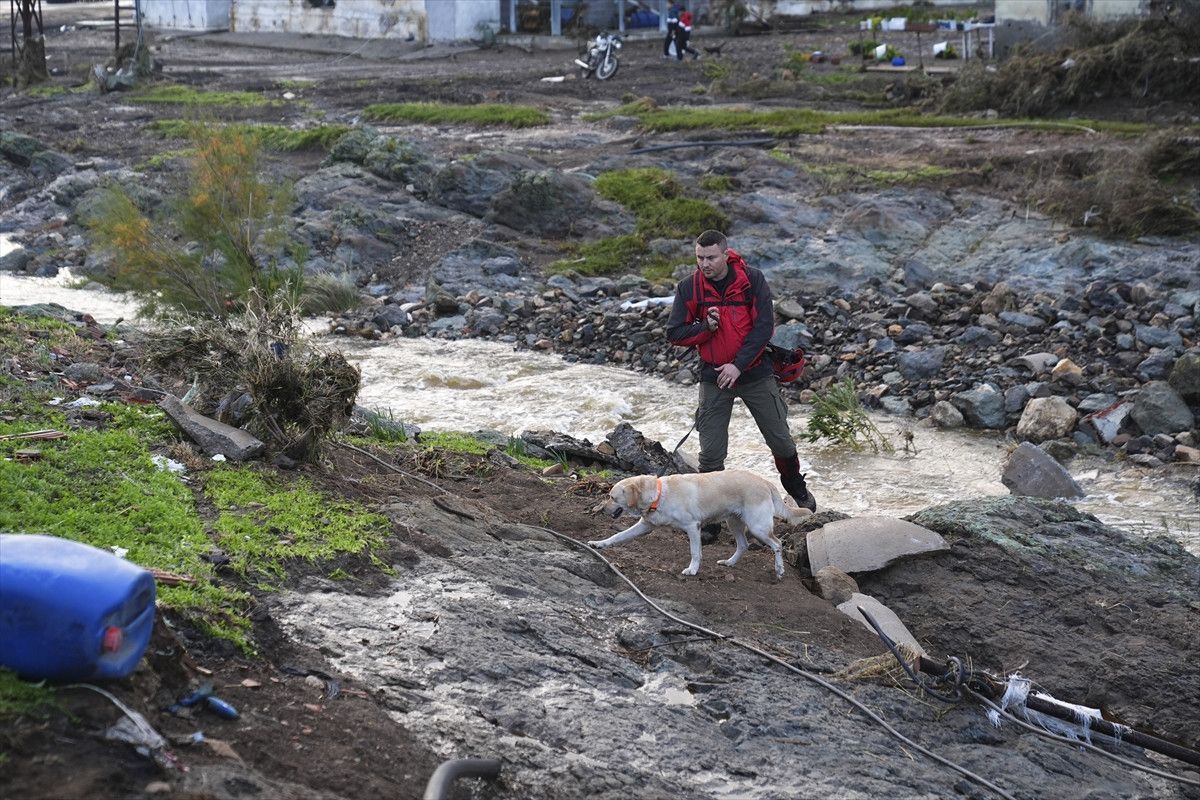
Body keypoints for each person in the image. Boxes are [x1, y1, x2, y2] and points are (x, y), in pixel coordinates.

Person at [666, 230, 816, 541]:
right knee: (711, 454)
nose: (704, 264)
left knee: (781, 441)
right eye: (699, 258)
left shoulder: (752, 279)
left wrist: (738, 365)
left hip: (755, 373)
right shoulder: (689, 287)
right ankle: (710, 520)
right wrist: (705, 327)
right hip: (714, 376)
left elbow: (763, 328)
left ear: (725, 254)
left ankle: (798, 491)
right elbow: (675, 333)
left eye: (711, 257)